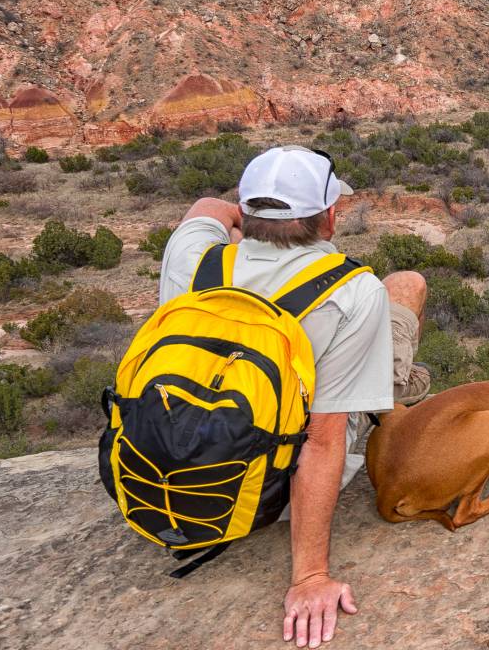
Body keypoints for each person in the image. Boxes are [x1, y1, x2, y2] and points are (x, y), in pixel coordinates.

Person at [158, 146, 430, 648]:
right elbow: (323, 441)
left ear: (248, 207)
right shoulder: (352, 291)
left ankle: (394, 384)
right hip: (267, 489)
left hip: (173, 475)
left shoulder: (192, 255)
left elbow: (205, 208)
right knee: (406, 284)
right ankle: (392, 389)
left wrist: (245, 226)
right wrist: (309, 577)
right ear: (328, 218)